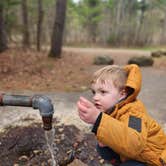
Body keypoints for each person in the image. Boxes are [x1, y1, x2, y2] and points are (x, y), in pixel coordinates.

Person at [77, 64, 166, 166]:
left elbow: (134, 144)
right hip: (135, 157)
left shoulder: (133, 113)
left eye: (103, 92)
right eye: (94, 92)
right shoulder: (112, 111)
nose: (95, 97)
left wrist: (98, 119)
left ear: (122, 94)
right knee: (102, 145)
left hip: (155, 161)